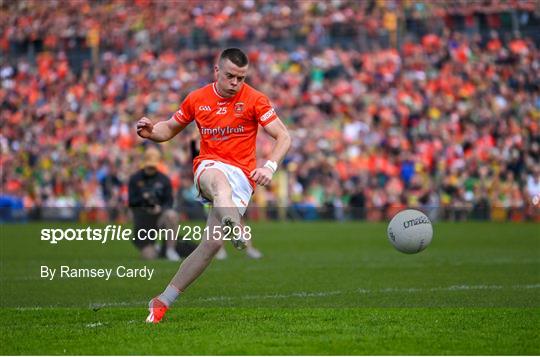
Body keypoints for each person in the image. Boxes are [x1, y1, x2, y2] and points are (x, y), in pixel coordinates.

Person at [136, 48, 291, 323]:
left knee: (211, 244)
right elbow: (169, 128)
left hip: (242, 178)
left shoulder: (256, 99)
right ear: (216, 71)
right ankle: (238, 228)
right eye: (230, 76)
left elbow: (283, 136)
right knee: (219, 183)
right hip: (209, 166)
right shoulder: (197, 98)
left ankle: (162, 301)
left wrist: (269, 166)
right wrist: (151, 132)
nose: (235, 83)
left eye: (241, 78)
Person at [128, 146, 197, 261]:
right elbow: (132, 201)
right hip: (143, 222)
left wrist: (160, 208)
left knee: (172, 215)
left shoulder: (164, 179)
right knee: (150, 257)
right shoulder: (135, 179)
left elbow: (169, 202)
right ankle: (160, 248)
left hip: (159, 218)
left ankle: (170, 249)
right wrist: (145, 206)